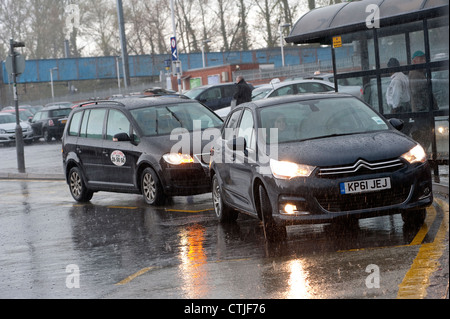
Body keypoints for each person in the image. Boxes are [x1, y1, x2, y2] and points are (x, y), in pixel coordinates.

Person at [408, 50, 438, 152]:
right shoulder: (416, 74)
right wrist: (427, 107)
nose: (423, 60)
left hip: (423, 112)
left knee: (425, 137)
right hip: (422, 112)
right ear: (414, 61)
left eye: (424, 58)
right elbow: (420, 94)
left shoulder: (420, 73)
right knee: (424, 138)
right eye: (420, 59)